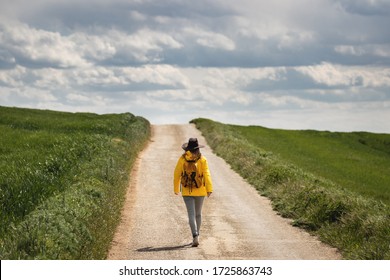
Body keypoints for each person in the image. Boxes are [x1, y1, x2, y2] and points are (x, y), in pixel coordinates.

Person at [173, 138, 213, 247]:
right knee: (198, 214)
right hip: (200, 190)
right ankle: (197, 235)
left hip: (186, 191)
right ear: (198, 148)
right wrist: (209, 189)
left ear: (187, 149)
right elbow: (207, 175)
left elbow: (177, 174)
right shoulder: (202, 159)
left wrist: (176, 189)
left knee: (191, 214)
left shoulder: (182, 159)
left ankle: (194, 235)